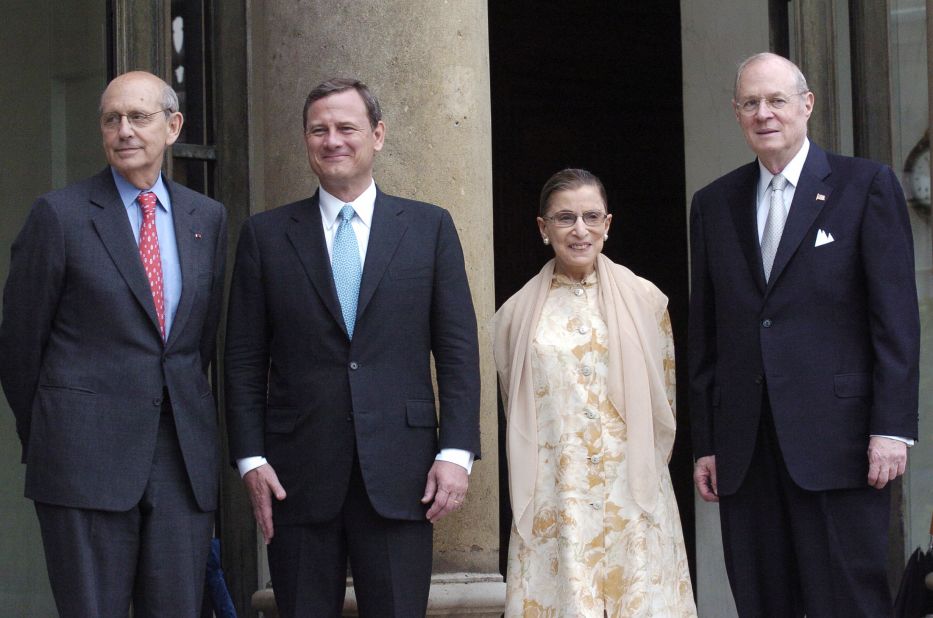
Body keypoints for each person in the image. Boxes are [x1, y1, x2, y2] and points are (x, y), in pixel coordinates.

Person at [224, 77, 481, 617]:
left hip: (404, 473)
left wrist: (456, 453)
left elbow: (457, 350)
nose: (332, 140)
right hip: (296, 473)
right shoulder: (266, 235)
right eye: (319, 130)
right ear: (305, 141)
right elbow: (244, 359)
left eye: (347, 127)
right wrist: (250, 459)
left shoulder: (429, 227)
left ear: (378, 135)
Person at [689, 52, 920, 616]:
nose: (763, 114)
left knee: (847, 599)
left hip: (839, 444)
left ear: (807, 105)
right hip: (747, 448)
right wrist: (708, 441)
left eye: (776, 101)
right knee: (763, 600)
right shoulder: (714, 203)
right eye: (750, 103)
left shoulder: (864, 185)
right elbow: (707, 331)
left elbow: (895, 319)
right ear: (737, 113)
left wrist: (892, 428)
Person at [0, 71, 227, 616]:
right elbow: (19, 347)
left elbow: (199, 342)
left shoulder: (207, 218)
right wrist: (57, 429)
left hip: (180, 462)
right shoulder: (60, 215)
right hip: (83, 461)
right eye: (111, 119)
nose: (124, 130)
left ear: (173, 127)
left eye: (139, 117)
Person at [494, 168, 697, 617]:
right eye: (565, 218)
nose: (579, 230)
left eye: (591, 216)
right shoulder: (513, 317)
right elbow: (516, 406)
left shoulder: (648, 301)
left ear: (608, 223)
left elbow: (664, 402)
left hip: (631, 488)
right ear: (544, 229)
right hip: (556, 495)